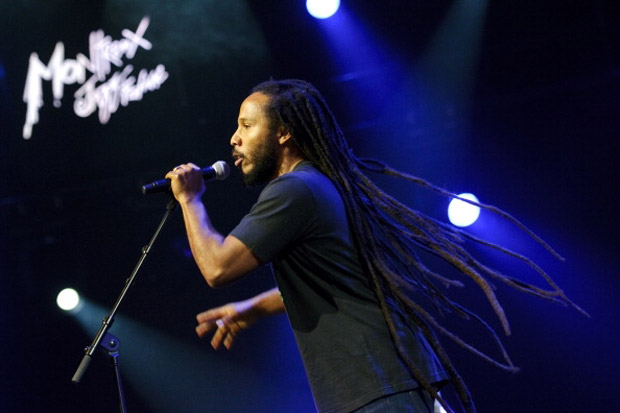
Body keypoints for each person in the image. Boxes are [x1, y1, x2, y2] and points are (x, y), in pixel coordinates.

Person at [165, 79, 585, 413]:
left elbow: (217, 268)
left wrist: (191, 200)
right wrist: (256, 307)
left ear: (284, 133)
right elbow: (343, 279)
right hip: (390, 383)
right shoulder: (319, 184)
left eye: (246, 125)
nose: (234, 138)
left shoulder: (292, 190)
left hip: (378, 390)